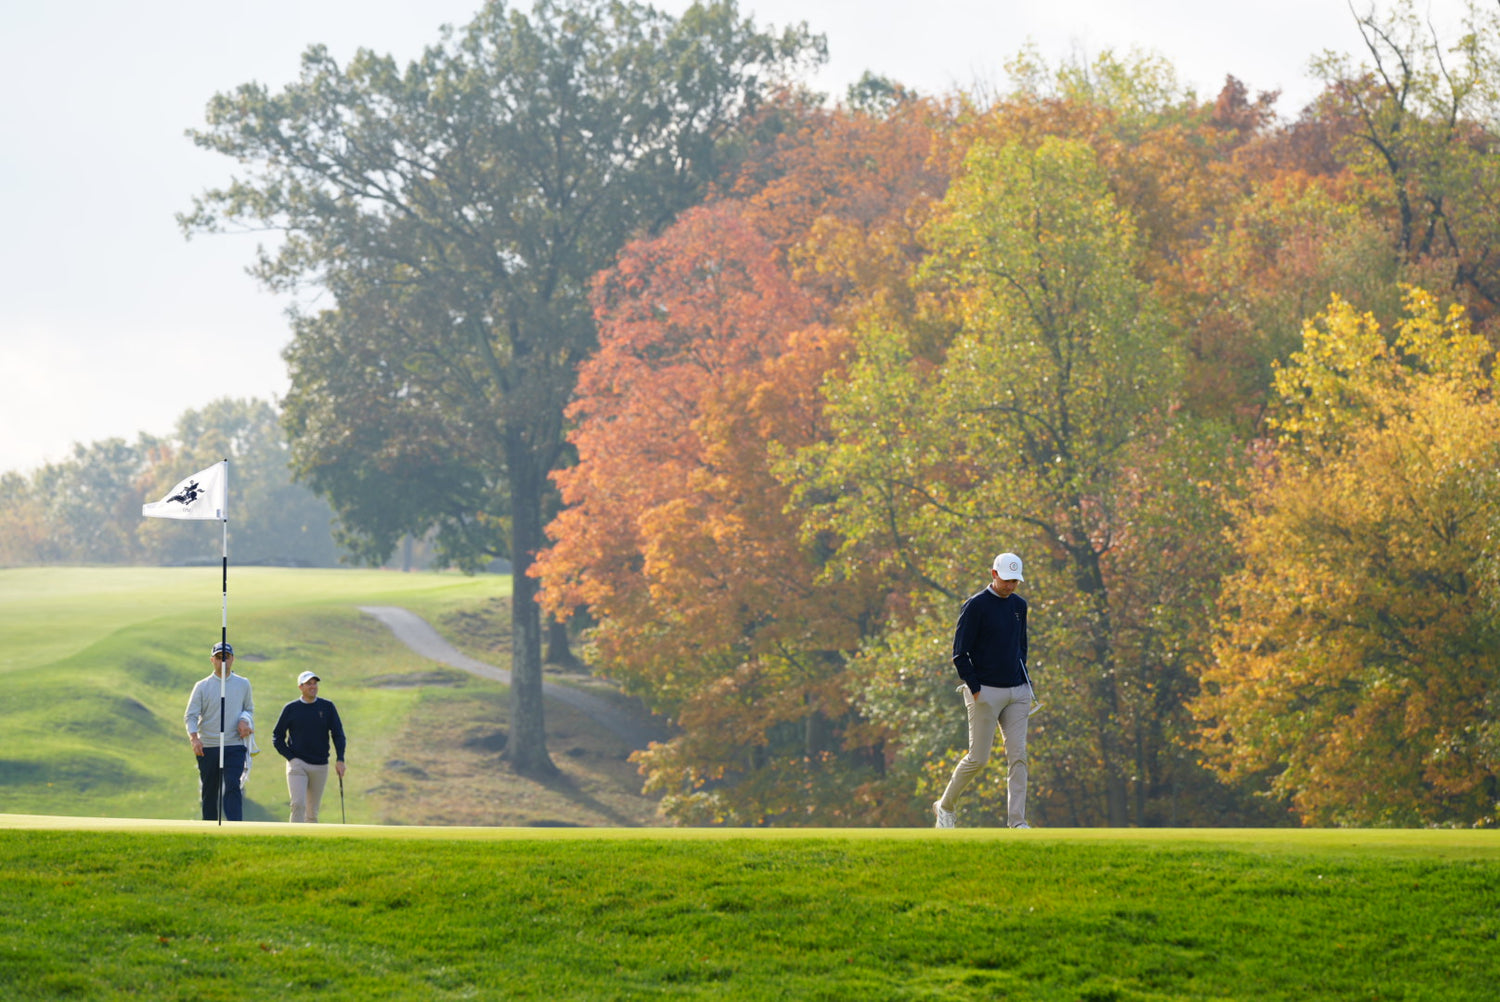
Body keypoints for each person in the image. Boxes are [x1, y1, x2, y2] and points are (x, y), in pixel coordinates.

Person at [934, 551, 1033, 830]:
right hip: (984, 693)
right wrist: (975, 688)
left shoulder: (1019, 605)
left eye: (1015, 581)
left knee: (1018, 757)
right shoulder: (975, 605)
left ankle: (1017, 822)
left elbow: (1020, 647)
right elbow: (959, 652)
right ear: (993, 574)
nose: (1011, 585)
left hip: (1018, 692)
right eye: (1006, 579)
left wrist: (1024, 682)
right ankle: (945, 806)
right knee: (978, 758)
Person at [184, 641, 255, 822]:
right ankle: (209, 827)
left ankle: (234, 827)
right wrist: (194, 738)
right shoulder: (202, 686)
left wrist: (244, 720)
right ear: (212, 660)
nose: (223, 661)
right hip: (208, 745)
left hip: (234, 744)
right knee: (210, 789)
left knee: (233, 785)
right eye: (218, 657)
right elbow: (190, 715)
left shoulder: (243, 684)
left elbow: (249, 708)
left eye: (226, 657)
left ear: (232, 659)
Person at [272, 670, 347, 823]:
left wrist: (340, 759)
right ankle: (294, 840)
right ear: (300, 687)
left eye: (314, 683)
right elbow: (277, 736)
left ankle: (309, 842)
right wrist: (291, 758)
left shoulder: (327, 707)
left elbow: (338, 734)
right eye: (308, 684)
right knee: (298, 804)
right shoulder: (291, 708)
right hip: (297, 764)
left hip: (320, 765)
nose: (313, 687)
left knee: (312, 813)